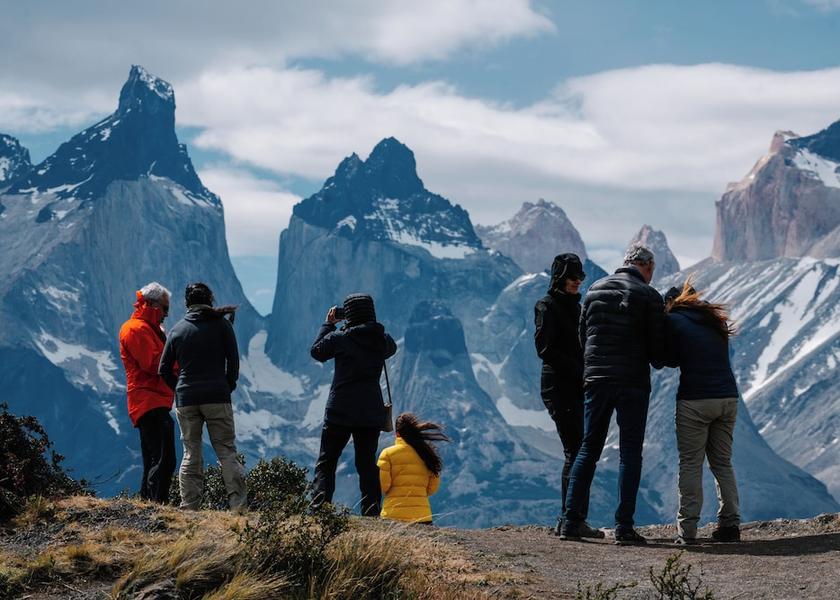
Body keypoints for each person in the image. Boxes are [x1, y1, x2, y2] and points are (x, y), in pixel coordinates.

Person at [560, 244, 666, 545]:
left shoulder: (594, 289)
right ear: (646, 267)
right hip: (632, 381)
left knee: (588, 448)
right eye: (652, 270)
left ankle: (570, 521)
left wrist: (594, 366)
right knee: (630, 452)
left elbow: (584, 336)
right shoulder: (648, 295)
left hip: (595, 379)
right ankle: (624, 527)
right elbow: (658, 352)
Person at [158, 282, 246, 512]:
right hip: (217, 395)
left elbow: (163, 369)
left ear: (187, 303)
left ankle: (189, 506)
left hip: (187, 398)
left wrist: (179, 388)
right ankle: (237, 506)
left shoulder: (177, 330)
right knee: (226, 450)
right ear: (210, 300)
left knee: (190, 451)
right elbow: (233, 362)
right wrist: (227, 385)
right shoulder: (222, 326)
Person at [665, 280, 741, 544]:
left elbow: (668, 358)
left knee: (690, 464)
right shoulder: (714, 320)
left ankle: (687, 532)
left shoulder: (674, 321)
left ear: (672, 303)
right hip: (728, 398)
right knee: (722, 463)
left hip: (696, 400)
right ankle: (730, 525)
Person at [534, 253, 604, 538]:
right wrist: (579, 369)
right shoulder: (546, 306)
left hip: (578, 386)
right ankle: (571, 520)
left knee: (579, 450)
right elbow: (544, 349)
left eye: (580, 277)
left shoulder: (579, 307)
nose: (578, 282)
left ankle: (571, 519)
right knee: (576, 451)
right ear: (559, 278)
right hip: (559, 386)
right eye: (572, 277)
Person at [310, 293, 397, 516]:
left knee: (327, 461)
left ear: (348, 314)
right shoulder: (382, 339)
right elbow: (391, 348)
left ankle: (320, 509)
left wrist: (328, 324)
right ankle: (371, 512)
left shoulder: (340, 338)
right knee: (366, 464)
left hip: (340, 409)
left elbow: (317, 352)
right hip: (370, 411)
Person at [118, 282, 177, 503]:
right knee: (165, 459)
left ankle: (147, 503)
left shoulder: (150, 329)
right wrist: (178, 361)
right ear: (151, 305)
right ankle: (157, 503)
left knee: (154, 457)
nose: (166, 314)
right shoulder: (135, 329)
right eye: (164, 308)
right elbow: (153, 364)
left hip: (152, 400)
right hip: (148, 400)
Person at [378, 413, 450, 524]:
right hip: (422, 517)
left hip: (392, 516)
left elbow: (383, 486)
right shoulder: (427, 454)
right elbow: (432, 489)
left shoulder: (387, 454)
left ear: (397, 434)